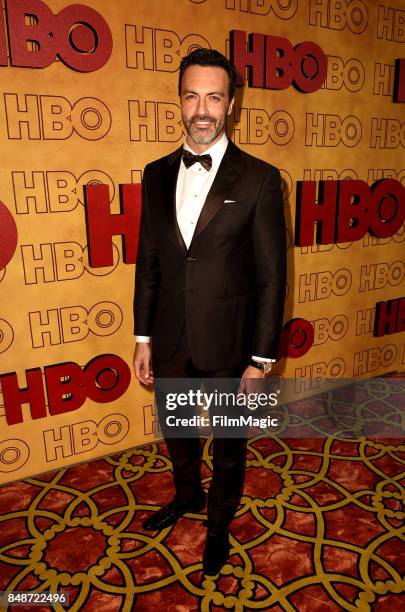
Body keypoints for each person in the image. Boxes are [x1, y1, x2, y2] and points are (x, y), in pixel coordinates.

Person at [133, 48, 286, 576]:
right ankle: (186, 497)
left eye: (213, 97)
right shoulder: (154, 175)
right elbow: (148, 262)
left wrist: (260, 362)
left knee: (228, 448)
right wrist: (143, 338)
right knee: (176, 432)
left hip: (231, 349)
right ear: (179, 101)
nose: (202, 109)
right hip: (171, 339)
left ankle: (218, 525)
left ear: (231, 104)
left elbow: (272, 278)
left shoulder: (261, 179)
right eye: (191, 96)